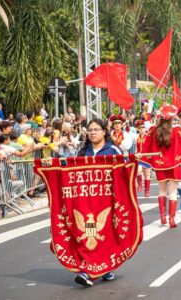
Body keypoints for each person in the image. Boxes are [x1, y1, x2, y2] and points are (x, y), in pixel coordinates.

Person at [74, 118, 122, 287]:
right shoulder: (82, 152)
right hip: (86, 202)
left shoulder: (114, 150)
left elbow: (124, 172)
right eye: (90, 130)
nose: (93, 132)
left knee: (106, 235)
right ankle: (89, 270)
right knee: (89, 235)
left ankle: (105, 267)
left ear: (104, 131)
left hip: (107, 202)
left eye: (96, 129)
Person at [140, 104, 181, 228]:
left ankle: (162, 217)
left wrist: (150, 107)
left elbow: (146, 121)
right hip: (174, 165)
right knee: (172, 193)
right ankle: (171, 219)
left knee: (161, 191)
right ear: (172, 119)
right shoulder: (178, 129)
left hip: (160, 166)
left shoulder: (153, 130)